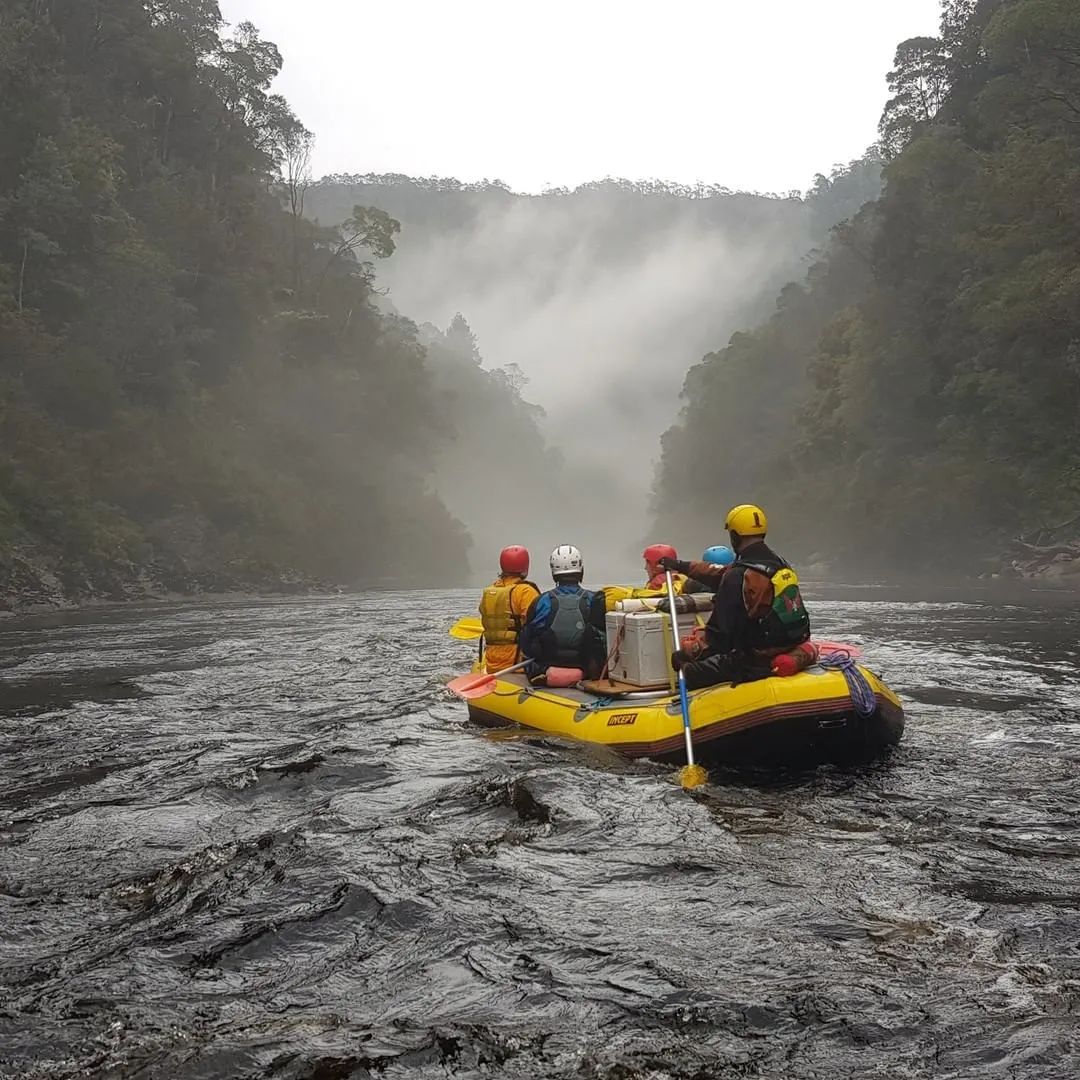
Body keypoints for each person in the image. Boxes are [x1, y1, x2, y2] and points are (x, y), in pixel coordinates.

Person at [665, 504, 811, 690]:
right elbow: (718, 574)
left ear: (734, 536)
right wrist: (680, 565)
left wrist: (687, 653)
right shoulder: (780, 564)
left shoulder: (738, 576)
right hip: (790, 644)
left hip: (756, 658)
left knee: (690, 672)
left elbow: (718, 637)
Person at [519, 545, 607, 684]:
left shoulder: (541, 602)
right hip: (587, 672)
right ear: (581, 570)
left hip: (546, 670)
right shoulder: (594, 600)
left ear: (553, 573)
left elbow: (526, 642)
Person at [478, 546, 541, 673]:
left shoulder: (490, 591)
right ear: (525, 566)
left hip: (492, 662)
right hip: (517, 665)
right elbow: (539, 626)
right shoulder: (526, 591)